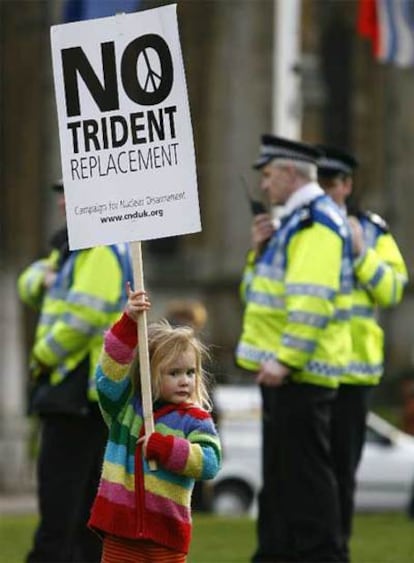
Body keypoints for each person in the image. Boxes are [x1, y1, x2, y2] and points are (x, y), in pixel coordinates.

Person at [236, 134, 354, 563]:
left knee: (305, 487)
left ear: (288, 172)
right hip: (285, 374)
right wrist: (258, 252)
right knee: (283, 489)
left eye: (268, 176)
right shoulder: (295, 222)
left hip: (299, 374)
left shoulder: (315, 223)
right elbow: (258, 294)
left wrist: (286, 359)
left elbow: (311, 299)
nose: (264, 187)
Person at [18, 178, 133, 563]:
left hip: (75, 390)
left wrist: (42, 356)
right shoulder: (74, 247)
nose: (63, 202)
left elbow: (82, 318)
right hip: (80, 393)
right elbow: (28, 282)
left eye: (71, 194)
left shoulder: (97, 248)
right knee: (81, 505)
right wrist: (45, 279)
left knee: (62, 504)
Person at [316, 145, 408, 560]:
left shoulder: (371, 231)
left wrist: (361, 254)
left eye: (334, 183)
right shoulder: (306, 228)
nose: (328, 191)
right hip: (314, 368)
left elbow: (392, 289)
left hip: (354, 374)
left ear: (347, 186)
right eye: (321, 183)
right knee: (310, 471)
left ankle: (338, 550)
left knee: (342, 472)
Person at [88, 285, 222, 562]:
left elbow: (209, 462)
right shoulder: (125, 409)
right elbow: (109, 372)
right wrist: (128, 321)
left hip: (166, 535)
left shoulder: (195, 418)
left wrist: (166, 448)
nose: (185, 380)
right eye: (174, 373)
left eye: (191, 372)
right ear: (149, 374)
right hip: (119, 530)